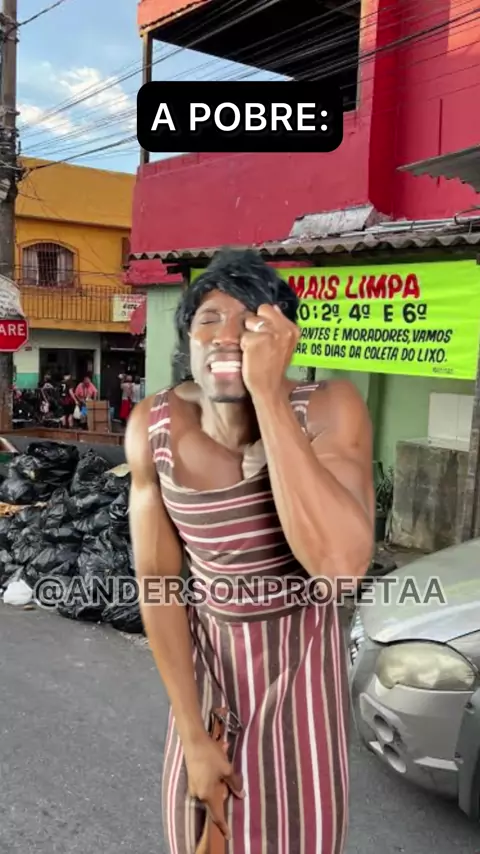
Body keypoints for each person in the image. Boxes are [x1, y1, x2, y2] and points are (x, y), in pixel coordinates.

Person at [125, 249, 374, 854]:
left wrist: (268, 397)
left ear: (283, 339)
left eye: (251, 321)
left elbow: (340, 567)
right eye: (208, 319)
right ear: (188, 340)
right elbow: (158, 580)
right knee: (199, 836)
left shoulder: (328, 407)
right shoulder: (154, 426)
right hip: (209, 685)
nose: (226, 335)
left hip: (303, 693)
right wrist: (192, 735)